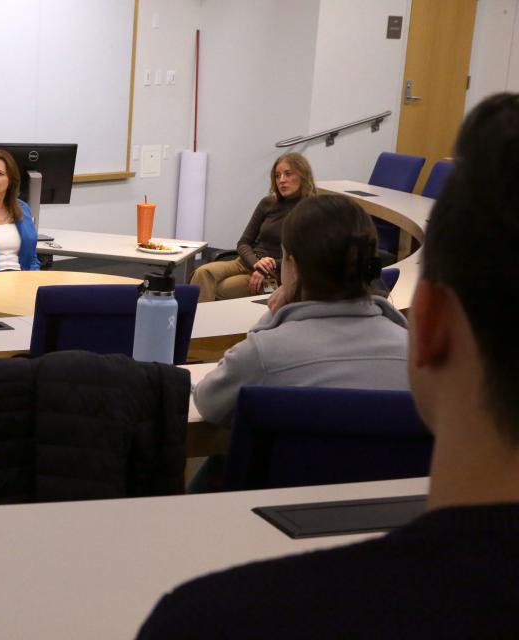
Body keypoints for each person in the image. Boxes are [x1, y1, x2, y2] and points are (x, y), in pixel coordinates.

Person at [137, 93, 519, 638]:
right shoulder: (394, 339)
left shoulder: (209, 617)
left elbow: (208, 401)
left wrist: (270, 324)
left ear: (430, 325)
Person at [192, 193, 409, 428]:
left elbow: (208, 402)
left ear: (293, 268)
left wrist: (271, 320)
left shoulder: (265, 354)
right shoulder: (415, 354)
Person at [190, 152, 317, 302]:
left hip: (277, 273)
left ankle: (202, 323)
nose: (282, 180)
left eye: (288, 174)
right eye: (277, 176)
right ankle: (197, 324)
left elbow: (305, 257)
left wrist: (268, 267)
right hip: (248, 262)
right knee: (203, 273)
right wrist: (256, 263)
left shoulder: (312, 210)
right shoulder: (268, 203)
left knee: (219, 289)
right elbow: (244, 242)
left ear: (302, 175)